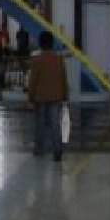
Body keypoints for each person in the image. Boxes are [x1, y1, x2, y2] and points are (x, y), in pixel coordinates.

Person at [27, 31, 69, 161]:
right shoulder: (59, 60)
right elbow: (63, 79)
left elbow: (32, 81)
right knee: (55, 124)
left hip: (40, 98)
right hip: (56, 97)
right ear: (52, 43)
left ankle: (39, 149)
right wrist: (65, 97)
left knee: (40, 124)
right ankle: (57, 150)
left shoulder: (36, 60)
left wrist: (30, 98)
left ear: (40, 44)